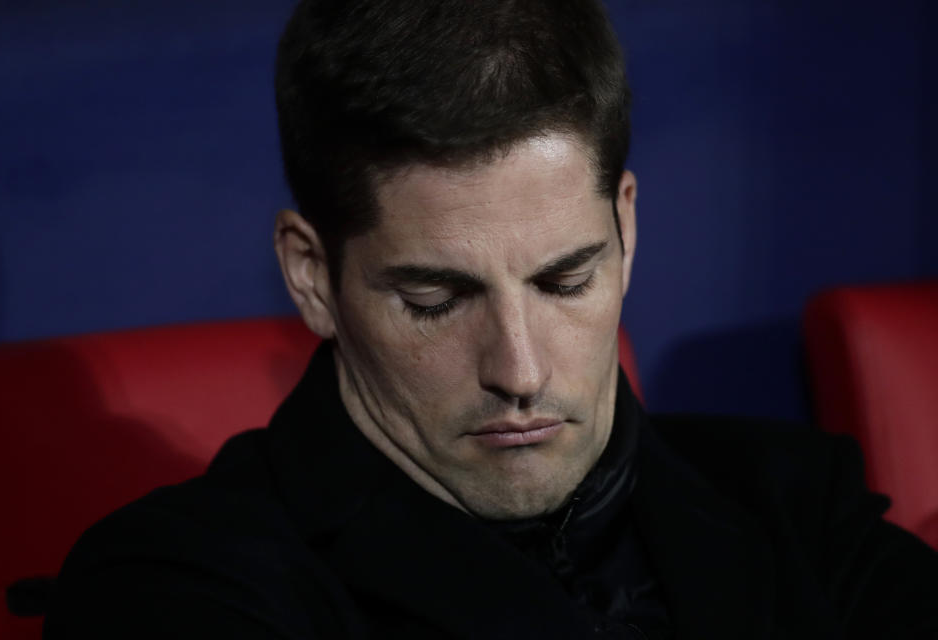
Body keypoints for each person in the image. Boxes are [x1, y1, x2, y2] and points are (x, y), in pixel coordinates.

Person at [45, 0, 938, 638]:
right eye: (435, 301)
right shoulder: (173, 588)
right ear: (312, 275)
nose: (520, 372)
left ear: (625, 227)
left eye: (565, 281)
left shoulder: (798, 508)